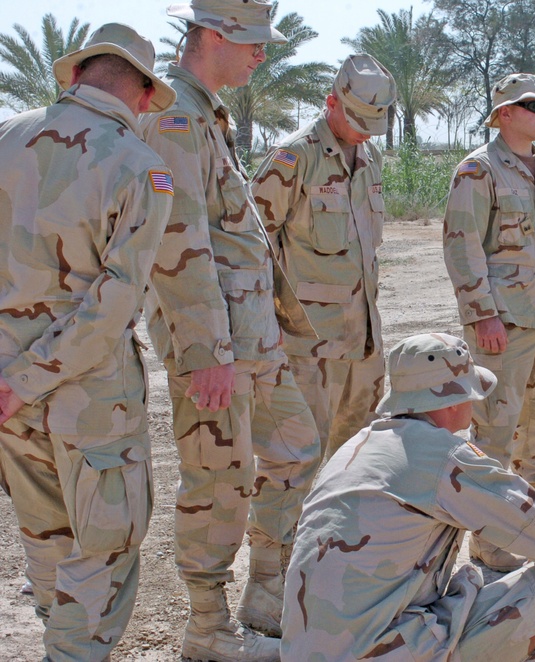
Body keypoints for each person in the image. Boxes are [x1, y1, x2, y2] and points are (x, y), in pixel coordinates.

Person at [140, 1, 322, 658]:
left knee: (297, 449)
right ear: (211, 36)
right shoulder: (172, 115)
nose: (262, 54)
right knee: (217, 481)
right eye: (252, 41)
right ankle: (209, 628)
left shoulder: (206, 115)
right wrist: (206, 351)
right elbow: (177, 241)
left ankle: (267, 590)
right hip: (215, 349)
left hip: (250, 342)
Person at [0, 23, 175, 660]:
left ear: (75, 76)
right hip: (86, 394)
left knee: (43, 534)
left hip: (7, 391)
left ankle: (58, 639)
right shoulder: (140, 166)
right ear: (142, 94)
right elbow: (112, 306)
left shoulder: (7, 136)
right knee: (103, 552)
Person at [282, 333, 535, 661]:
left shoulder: (357, 447)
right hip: (374, 652)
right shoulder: (442, 458)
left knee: (459, 594)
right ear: (454, 399)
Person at [442, 73, 535, 572]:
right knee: (495, 431)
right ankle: (489, 541)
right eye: (533, 105)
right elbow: (462, 249)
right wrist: (481, 315)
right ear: (504, 114)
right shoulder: (477, 171)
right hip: (502, 326)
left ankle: (530, 523)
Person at [252, 54, 397, 462]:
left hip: (364, 344)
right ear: (331, 103)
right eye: (357, 122)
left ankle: (337, 528)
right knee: (293, 460)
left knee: (357, 456)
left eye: (373, 126)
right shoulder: (294, 157)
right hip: (307, 346)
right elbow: (251, 243)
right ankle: (274, 531)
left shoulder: (371, 159)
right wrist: (265, 321)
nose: (365, 134)